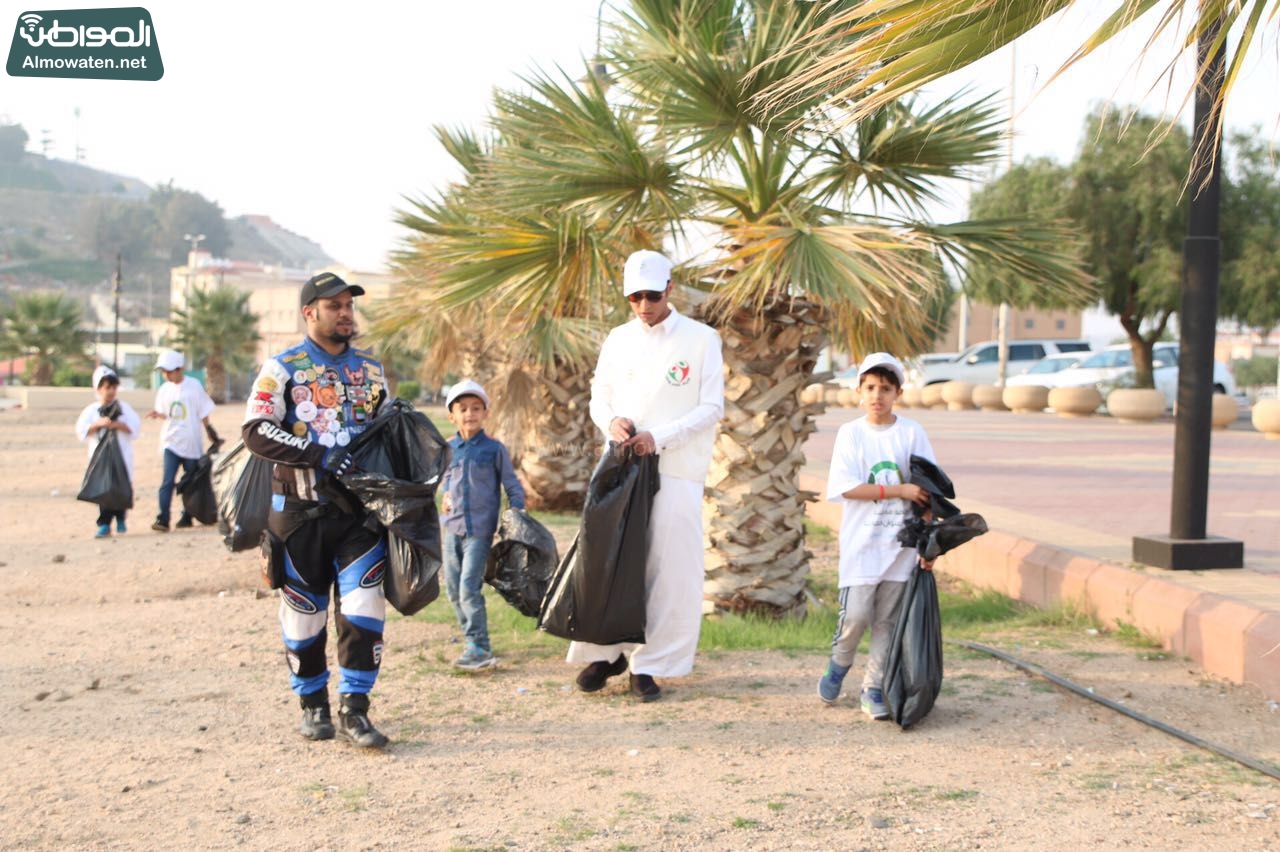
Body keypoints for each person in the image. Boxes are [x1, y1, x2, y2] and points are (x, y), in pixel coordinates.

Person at [242, 271, 392, 748]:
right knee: (303, 615)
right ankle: (313, 705)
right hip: (297, 513)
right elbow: (256, 430)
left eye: (349, 305)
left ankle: (355, 710)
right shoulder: (280, 368)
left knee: (364, 605)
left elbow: (388, 433)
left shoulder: (372, 370)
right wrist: (316, 453)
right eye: (335, 306)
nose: (346, 313)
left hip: (359, 516)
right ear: (310, 313)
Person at [567, 249, 724, 702]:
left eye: (651, 295)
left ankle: (649, 664)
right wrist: (611, 422)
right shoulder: (618, 338)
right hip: (620, 467)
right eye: (634, 297)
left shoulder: (701, 339)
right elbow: (600, 396)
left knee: (668, 569)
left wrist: (662, 436)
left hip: (676, 468)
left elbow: (712, 407)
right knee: (609, 560)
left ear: (669, 290)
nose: (643, 306)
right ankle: (608, 651)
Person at [818, 352, 936, 720]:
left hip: (898, 549)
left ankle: (873, 688)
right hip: (862, 547)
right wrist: (898, 491)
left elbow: (929, 487)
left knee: (888, 623)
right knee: (854, 617)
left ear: (898, 393)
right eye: (869, 388)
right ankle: (840, 663)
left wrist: (929, 540)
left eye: (885, 389)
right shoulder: (851, 434)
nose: (877, 396)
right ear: (859, 391)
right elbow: (848, 487)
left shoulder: (912, 432)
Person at [439, 379, 526, 671]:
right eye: (462, 409)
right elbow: (442, 481)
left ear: (485, 413)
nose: (470, 414)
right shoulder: (448, 449)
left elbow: (511, 484)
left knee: (468, 588)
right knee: (452, 589)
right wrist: (444, 497)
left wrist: (516, 512)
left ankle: (480, 646)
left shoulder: (493, 449)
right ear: (452, 415)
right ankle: (470, 639)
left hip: (479, 531)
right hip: (452, 530)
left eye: (476, 408)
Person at [146, 349, 217, 532]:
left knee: (190, 481)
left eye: (169, 371)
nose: (166, 375)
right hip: (171, 441)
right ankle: (163, 518)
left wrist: (209, 430)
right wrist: (158, 415)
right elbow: (166, 413)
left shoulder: (193, 386)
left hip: (191, 442)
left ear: (179, 369)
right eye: (164, 371)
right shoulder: (164, 390)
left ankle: (187, 516)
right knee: (167, 481)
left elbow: (203, 411)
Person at [75, 366, 142, 538]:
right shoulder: (91, 411)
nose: (111, 391)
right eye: (107, 387)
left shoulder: (124, 408)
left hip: (122, 457)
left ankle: (121, 519)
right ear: (98, 389)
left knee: (120, 488)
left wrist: (118, 425)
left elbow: (135, 429)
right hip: (100, 460)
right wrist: (97, 424)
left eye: (114, 387)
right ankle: (104, 523)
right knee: (104, 490)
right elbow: (81, 432)